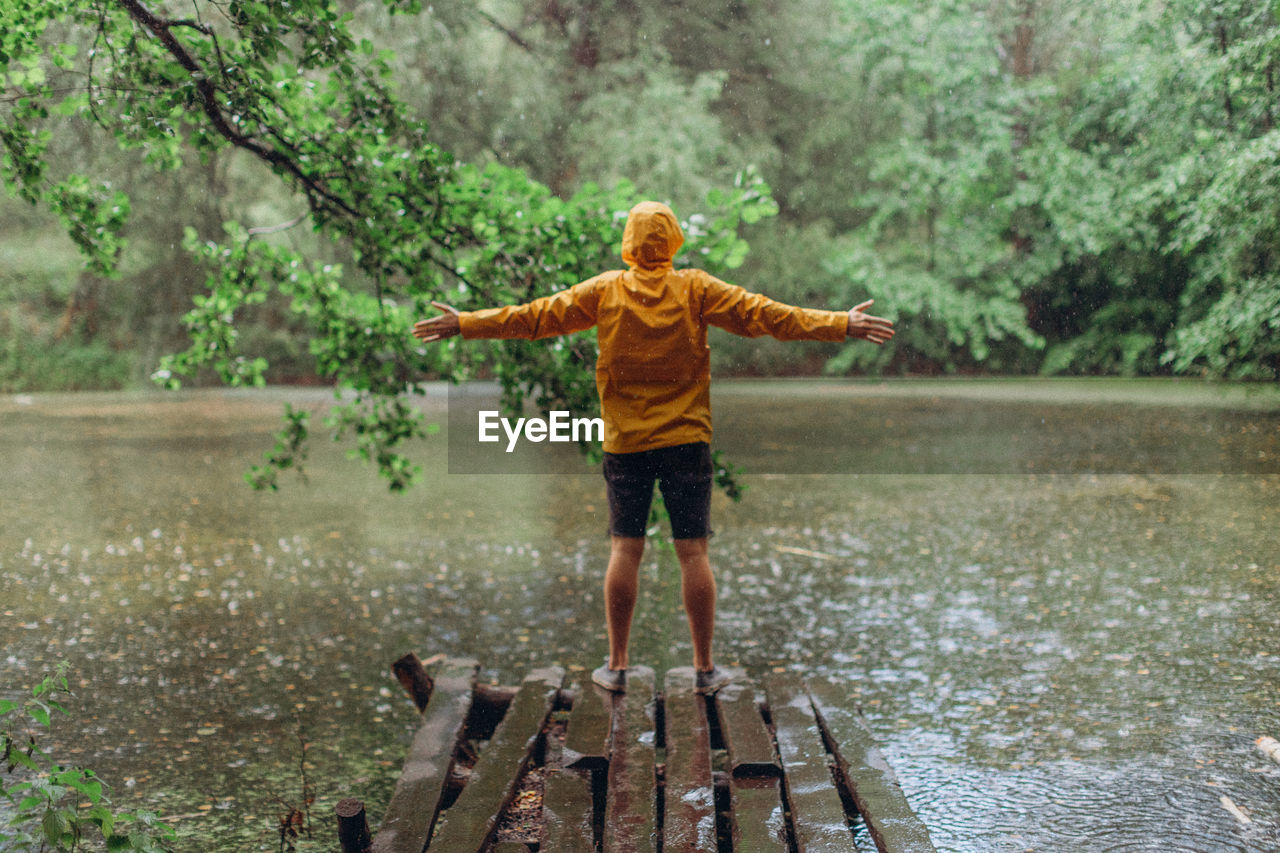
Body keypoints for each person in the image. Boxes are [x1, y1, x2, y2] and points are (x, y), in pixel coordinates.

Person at [412, 201, 894, 694]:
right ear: (674, 240)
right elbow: (768, 316)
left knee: (626, 547)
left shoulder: (604, 291)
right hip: (686, 440)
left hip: (626, 443)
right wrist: (839, 323)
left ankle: (617, 665)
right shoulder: (697, 289)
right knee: (693, 552)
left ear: (629, 242)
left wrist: (466, 322)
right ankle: (705, 668)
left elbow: (534, 318)